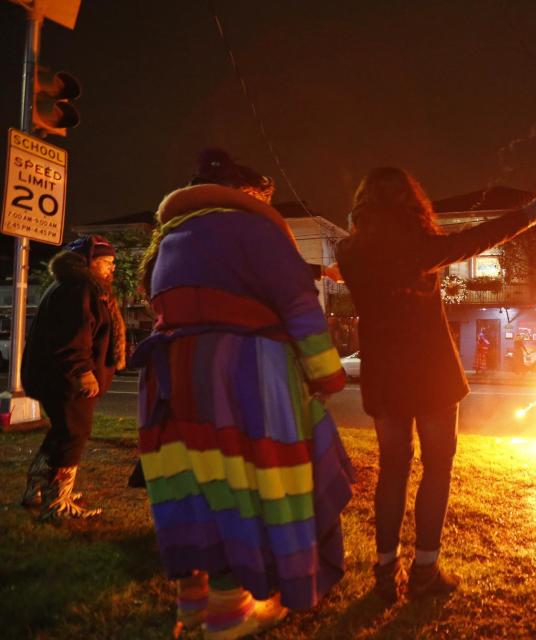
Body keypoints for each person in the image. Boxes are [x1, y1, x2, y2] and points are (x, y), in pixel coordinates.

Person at [133, 149, 352, 639]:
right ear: (249, 195)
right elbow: (298, 303)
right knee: (243, 488)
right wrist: (325, 374)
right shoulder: (254, 230)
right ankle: (230, 611)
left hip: (170, 377)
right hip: (242, 378)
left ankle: (192, 605)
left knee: (194, 488)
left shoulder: (168, 240)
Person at [335, 167, 536, 601]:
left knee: (393, 470)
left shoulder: (350, 251)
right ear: (409, 202)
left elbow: (352, 260)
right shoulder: (419, 247)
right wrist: (534, 213)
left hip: (384, 376)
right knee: (437, 467)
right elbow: (478, 239)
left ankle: (385, 575)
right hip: (431, 372)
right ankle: (424, 571)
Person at [21, 234, 125, 521]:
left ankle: (37, 488)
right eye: (106, 262)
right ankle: (57, 501)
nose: (111, 269)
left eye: (112, 263)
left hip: (58, 377)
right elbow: (72, 336)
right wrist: (83, 372)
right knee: (73, 434)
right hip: (66, 380)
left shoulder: (81, 287)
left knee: (62, 432)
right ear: (88, 262)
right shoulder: (78, 288)